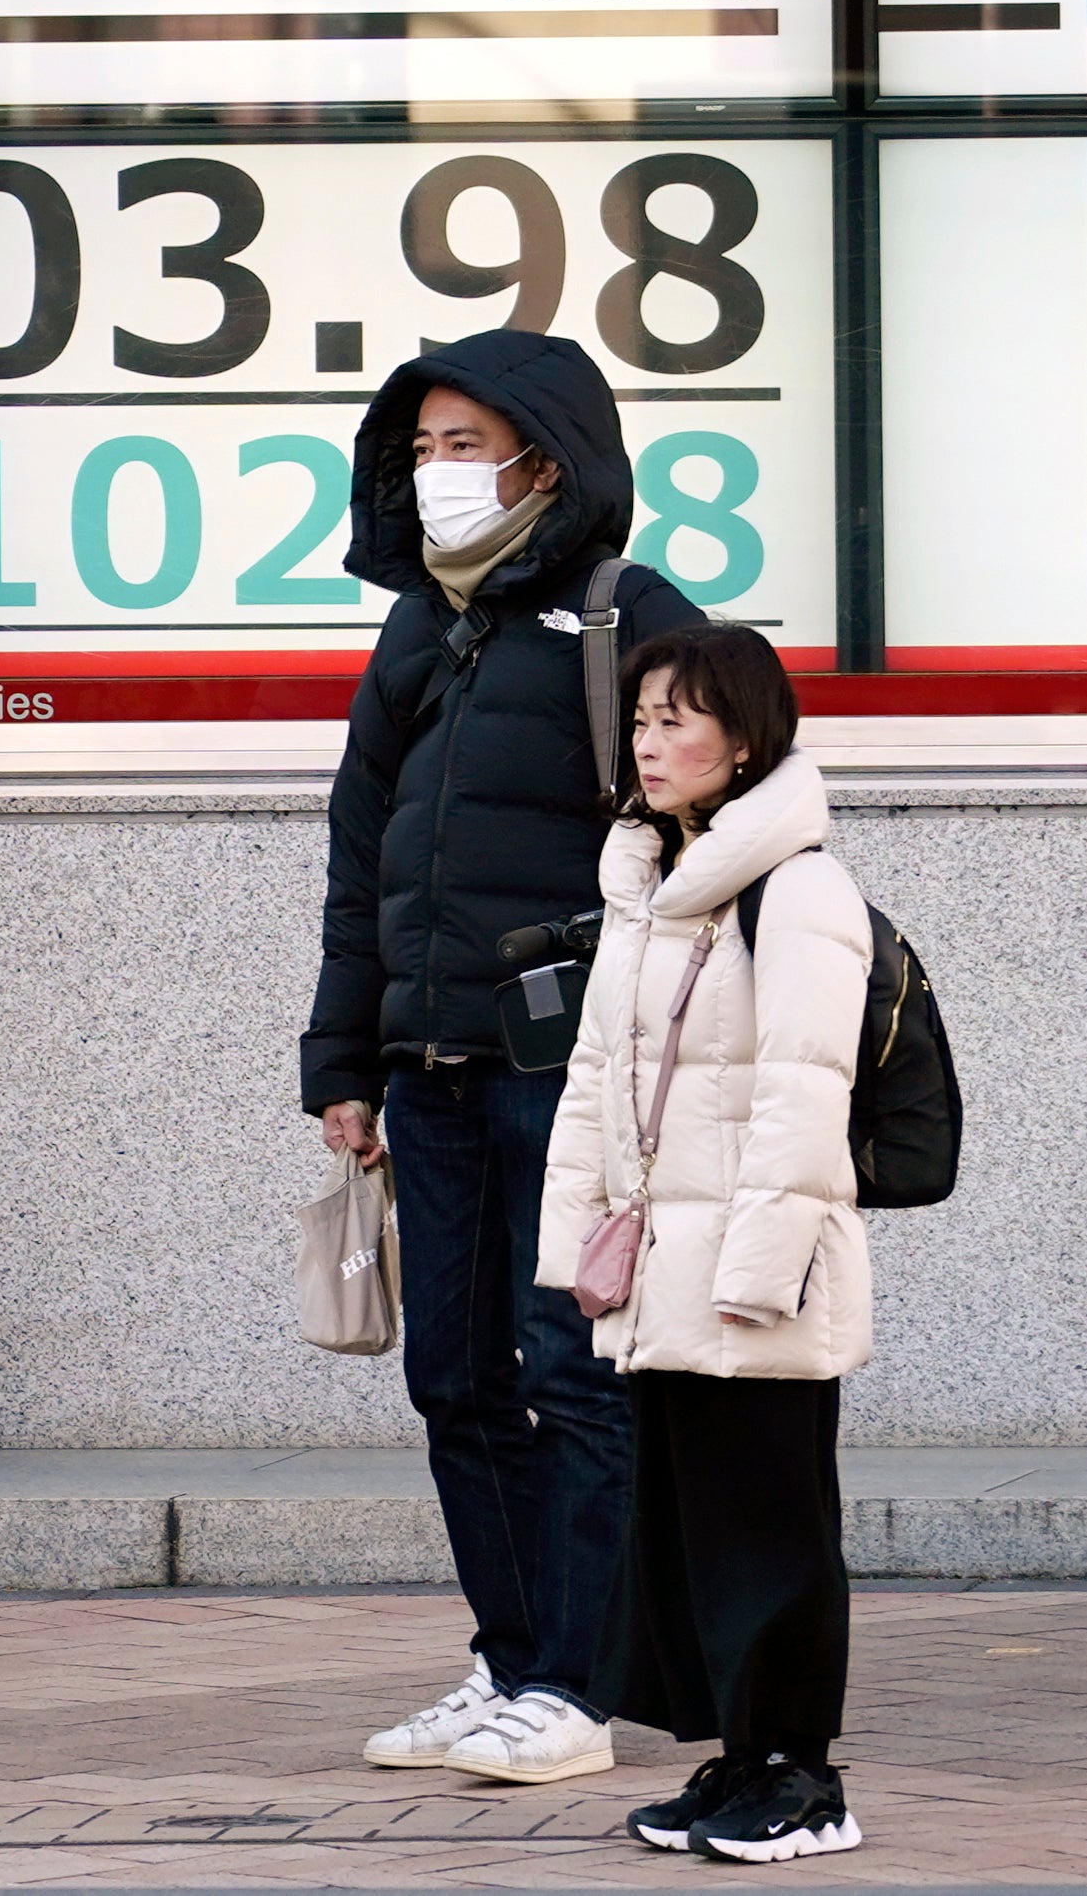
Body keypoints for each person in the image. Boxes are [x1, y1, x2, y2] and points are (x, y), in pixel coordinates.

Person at [302, 330, 703, 1784]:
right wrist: (343, 1051)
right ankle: (512, 1653)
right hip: (432, 1061)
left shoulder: (631, 615)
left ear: (549, 455)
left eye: (467, 445)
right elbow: (364, 852)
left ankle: (580, 1686)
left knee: (572, 1370)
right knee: (452, 1378)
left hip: (572, 1067)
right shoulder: (421, 624)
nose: (438, 474)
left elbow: (724, 828)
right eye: (420, 449)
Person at [538, 624, 871, 1864]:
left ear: (746, 741)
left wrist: (756, 1276)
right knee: (691, 1531)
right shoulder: (648, 887)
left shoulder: (801, 889)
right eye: (641, 719)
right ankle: (740, 1761)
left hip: (756, 1276)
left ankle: (806, 1781)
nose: (651, 740)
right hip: (664, 1274)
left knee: (773, 1525)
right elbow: (594, 1084)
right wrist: (575, 1249)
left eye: (680, 718)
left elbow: (803, 1096)